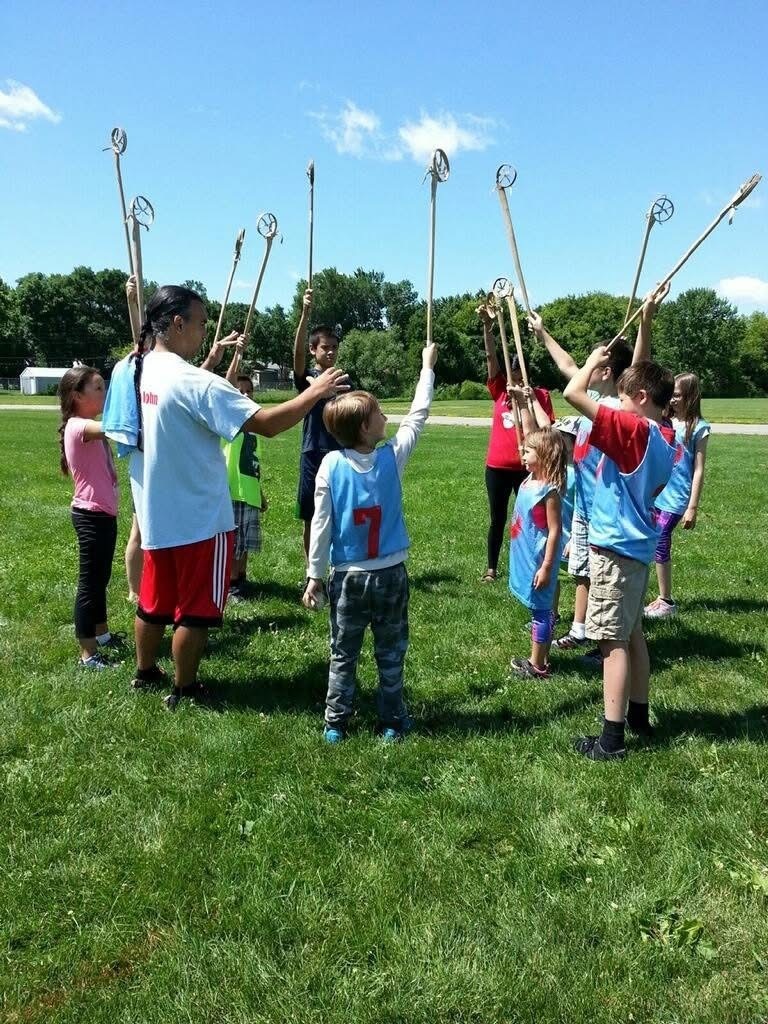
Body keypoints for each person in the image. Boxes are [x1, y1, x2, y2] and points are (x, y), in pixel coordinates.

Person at [125, 283, 348, 710]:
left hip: (154, 511)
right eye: (201, 324)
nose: (204, 333)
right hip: (199, 520)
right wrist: (314, 393)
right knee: (196, 609)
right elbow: (264, 422)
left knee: (153, 602)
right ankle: (186, 688)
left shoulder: (136, 369)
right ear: (177, 323)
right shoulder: (194, 381)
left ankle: (145, 672)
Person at [302, 341, 437, 743]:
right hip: (390, 576)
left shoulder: (329, 464)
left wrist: (314, 575)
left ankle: (335, 724)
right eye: (379, 413)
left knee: (343, 653)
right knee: (390, 653)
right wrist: (426, 368)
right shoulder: (390, 458)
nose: (386, 416)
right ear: (365, 427)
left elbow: (321, 524)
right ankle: (392, 721)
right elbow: (419, 414)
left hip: (348, 579)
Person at [563, 350, 676, 760]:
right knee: (631, 634)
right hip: (636, 547)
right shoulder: (665, 438)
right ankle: (640, 718)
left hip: (615, 549)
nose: (618, 405)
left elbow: (573, 393)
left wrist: (592, 360)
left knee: (611, 642)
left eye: (625, 399)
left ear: (642, 397)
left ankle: (611, 741)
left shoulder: (635, 431)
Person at [478, 302, 554, 583]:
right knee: (497, 519)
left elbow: (547, 433)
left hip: (529, 467)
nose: (517, 381)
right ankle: (492, 569)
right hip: (497, 468)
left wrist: (527, 400)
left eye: (521, 377)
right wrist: (488, 326)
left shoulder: (540, 396)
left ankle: (532, 565)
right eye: (513, 377)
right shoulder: (500, 391)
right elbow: (491, 358)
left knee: (532, 519)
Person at [58, 366, 124, 669]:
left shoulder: (87, 423)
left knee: (101, 579)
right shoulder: (77, 426)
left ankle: (102, 635)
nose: (104, 393)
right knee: (90, 584)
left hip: (102, 514)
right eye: (98, 388)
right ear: (77, 396)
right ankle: (88, 654)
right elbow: (115, 426)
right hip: (90, 515)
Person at [645, 371, 710, 618]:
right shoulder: (666, 422)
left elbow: (699, 469)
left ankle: (667, 601)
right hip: (657, 493)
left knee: (661, 538)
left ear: (691, 397)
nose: (672, 400)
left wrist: (692, 506)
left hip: (677, 497)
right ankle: (660, 597)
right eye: (671, 395)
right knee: (653, 540)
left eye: (678, 395)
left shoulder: (699, 428)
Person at [508, 428, 567, 679]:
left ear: (544, 456)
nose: (523, 452)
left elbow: (555, 531)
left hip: (540, 560)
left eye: (529, 450)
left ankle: (538, 666)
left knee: (542, 611)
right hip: (526, 557)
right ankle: (539, 659)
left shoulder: (548, 491)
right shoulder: (528, 480)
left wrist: (546, 567)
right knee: (538, 610)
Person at [293, 287, 344, 560]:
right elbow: (297, 359)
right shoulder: (308, 379)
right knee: (311, 517)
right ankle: (312, 572)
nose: (331, 352)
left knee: (337, 513)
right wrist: (304, 314)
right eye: (325, 347)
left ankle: (337, 565)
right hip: (313, 453)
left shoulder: (343, 379)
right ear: (314, 349)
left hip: (340, 455)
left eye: (335, 348)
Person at [220, 349, 267, 601]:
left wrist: (260, 494)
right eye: (241, 392)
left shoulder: (253, 430)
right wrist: (237, 355)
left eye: (250, 391)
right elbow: (226, 386)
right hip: (231, 492)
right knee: (234, 543)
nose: (247, 395)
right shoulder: (226, 424)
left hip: (249, 494)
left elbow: (253, 466)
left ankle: (242, 579)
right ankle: (230, 584)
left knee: (246, 543)